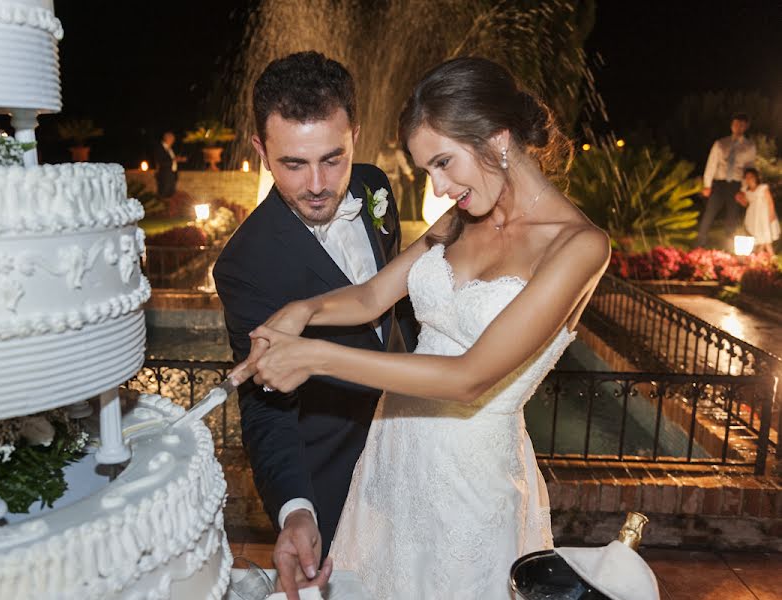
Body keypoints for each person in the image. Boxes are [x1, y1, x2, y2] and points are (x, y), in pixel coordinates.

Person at [232, 57, 610, 599]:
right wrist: (305, 311)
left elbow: (469, 378)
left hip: (469, 482)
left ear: (497, 139)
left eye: (443, 163)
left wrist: (314, 356)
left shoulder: (578, 247)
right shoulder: (462, 216)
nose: (437, 187)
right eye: (426, 170)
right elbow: (372, 295)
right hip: (391, 455)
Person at [212, 51, 418, 599]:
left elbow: (399, 309)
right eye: (293, 164)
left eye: (334, 158)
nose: (318, 184)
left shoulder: (376, 187)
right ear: (260, 151)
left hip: (419, 445)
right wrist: (296, 511)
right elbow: (264, 408)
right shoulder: (245, 265)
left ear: (356, 134)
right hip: (335, 477)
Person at [696, 113, 757, 248]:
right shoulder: (720, 143)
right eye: (735, 124)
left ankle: (729, 244)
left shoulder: (749, 146)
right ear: (731, 125)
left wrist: (744, 189)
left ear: (746, 127)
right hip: (719, 183)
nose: (738, 127)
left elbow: (750, 169)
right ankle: (700, 242)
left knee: (732, 215)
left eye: (741, 125)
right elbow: (711, 164)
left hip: (736, 184)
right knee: (710, 212)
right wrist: (707, 185)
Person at [739, 167, 779, 254]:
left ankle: (771, 257)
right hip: (753, 215)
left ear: (756, 177)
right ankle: (760, 256)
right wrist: (740, 198)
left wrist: (771, 214)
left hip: (763, 215)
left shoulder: (762, 188)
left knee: (765, 236)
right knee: (759, 237)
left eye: (751, 177)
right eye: (747, 178)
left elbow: (770, 201)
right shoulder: (747, 192)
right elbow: (745, 203)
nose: (749, 179)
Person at [375, 137, 415, 216]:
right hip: (393, 181)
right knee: (394, 200)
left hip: (383, 181)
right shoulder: (397, 152)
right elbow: (403, 164)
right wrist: (409, 174)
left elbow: (377, 166)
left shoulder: (381, 153)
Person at [154, 131, 185, 198]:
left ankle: (168, 207)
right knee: (164, 193)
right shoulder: (160, 148)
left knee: (171, 194)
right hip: (165, 175)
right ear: (167, 138)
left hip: (172, 174)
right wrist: (174, 159)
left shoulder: (169, 148)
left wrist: (177, 159)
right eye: (172, 139)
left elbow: (171, 159)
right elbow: (161, 161)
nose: (173, 141)